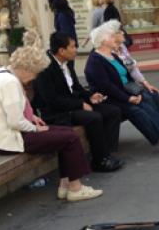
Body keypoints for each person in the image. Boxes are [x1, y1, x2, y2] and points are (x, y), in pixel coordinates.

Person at [0, 31, 103, 202]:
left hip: (5, 136)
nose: (34, 78)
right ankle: (75, 188)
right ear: (26, 68)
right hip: (10, 140)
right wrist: (36, 128)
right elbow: (15, 122)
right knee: (69, 137)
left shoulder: (2, 73)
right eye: (34, 73)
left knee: (64, 132)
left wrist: (33, 119)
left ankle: (66, 184)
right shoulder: (10, 82)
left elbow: (17, 106)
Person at [85, 22, 159, 153]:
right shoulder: (95, 61)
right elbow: (107, 87)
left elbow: (128, 74)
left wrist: (137, 91)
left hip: (124, 91)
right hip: (110, 97)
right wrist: (128, 98)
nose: (114, 38)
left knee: (146, 99)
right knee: (137, 110)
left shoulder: (112, 55)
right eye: (111, 37)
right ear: (103, 41)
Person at [32, 32, 124, 173]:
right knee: (94, 118)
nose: (76, 49)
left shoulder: (66, 63)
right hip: (57, 112)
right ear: (62, 51)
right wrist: (80, 105)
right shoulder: (46, 68)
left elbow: (77, 88)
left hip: (72, 104)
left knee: (113, 111)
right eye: (73, 47)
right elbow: (52, 100)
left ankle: (107, 153)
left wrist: (91, 96)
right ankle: (99, 161)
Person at [106, 20, 159, 93]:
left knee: (153, 93)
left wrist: (146, 83)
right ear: (112, 35)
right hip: (118, 87)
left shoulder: (122, 46)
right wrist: (132, 63)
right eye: (120, 31)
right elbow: (128, 65)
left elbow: (133, 67)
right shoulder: (108, 51)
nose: (123, 32)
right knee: (146, 98)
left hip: (128, 83)